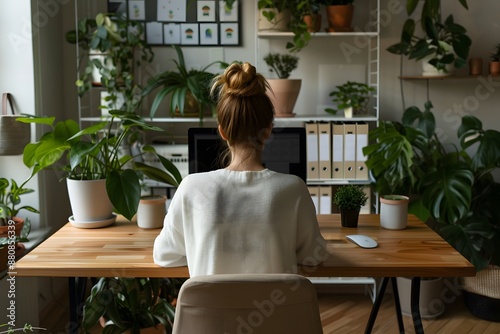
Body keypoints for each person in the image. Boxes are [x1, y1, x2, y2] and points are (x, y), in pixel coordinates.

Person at [153, 62, 327, 277]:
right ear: (267, 132)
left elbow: (164, 255)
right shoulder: (293, 188)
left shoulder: (191, 187)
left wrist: (204, 252)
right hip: (276, 310)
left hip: (211, 311)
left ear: (223, 132)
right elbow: (314, 256)